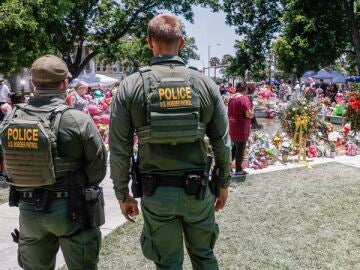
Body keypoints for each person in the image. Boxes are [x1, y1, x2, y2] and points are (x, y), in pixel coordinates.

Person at [110, 13, 230, 270]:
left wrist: (123, 194)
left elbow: (119, 149)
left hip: (157, 193)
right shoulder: (205, 84)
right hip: (198, 192)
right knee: (204, 257)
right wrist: (223, 185)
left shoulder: (131, 86)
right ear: (182, 43)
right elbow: (222, 142)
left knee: (167, 264)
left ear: (149, 41)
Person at [0, 55, 107, 270]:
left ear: (33, 83)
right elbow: (98, 170)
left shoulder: (12, 119)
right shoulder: (77, 120)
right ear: (65, 84)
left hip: (29, 210)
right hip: (72, 209)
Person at [228, 82, 254, 175]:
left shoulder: (231, 98)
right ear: (245, 89)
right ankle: (238, 170)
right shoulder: (244, 98)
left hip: (232, 125)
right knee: (240, 148)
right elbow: (248, 113)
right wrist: (252, 113)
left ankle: (228, 167)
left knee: (234, 147)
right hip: (241, 126)